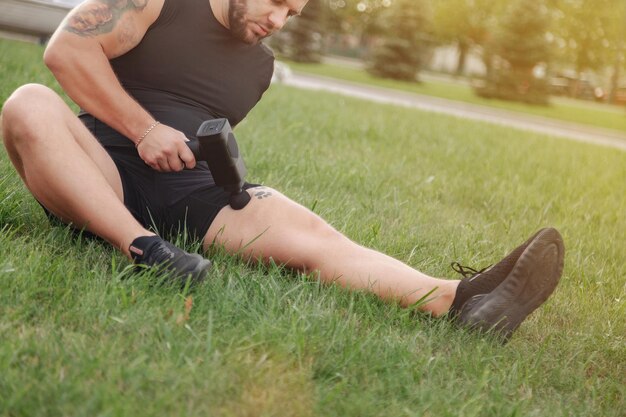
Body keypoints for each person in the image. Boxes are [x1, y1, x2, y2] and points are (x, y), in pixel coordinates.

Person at [0, 0, 564, 342]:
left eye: (291, 15)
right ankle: (143, 249)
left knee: (315, 236)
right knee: (27, 102)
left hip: (188, 189)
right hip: (97, 171)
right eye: (275, 5)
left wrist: (228, 178)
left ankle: (461, 301)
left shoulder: (259, 66)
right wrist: (144, 131)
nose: (278, 21)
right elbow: (65, 52)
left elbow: (204, 127)